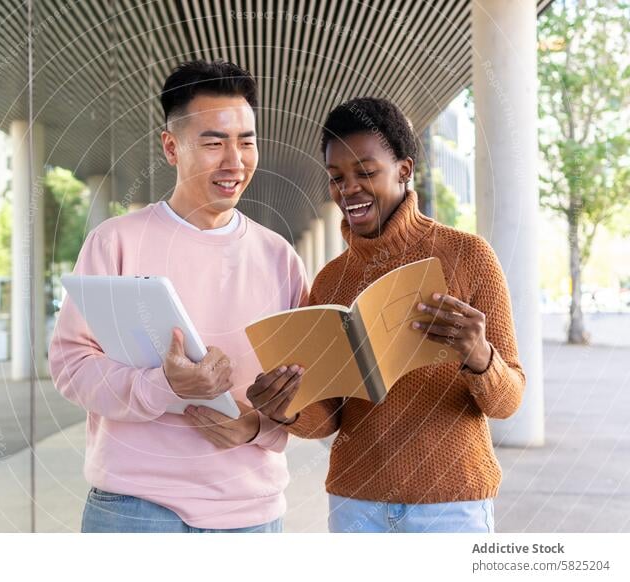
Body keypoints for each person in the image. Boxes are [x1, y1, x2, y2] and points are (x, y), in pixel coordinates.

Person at [48, 60, 308, 533]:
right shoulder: (115, 242)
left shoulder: (280, 258)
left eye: (246, 141)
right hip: (134, 510)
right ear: (171, 146)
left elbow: (305, 393)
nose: (235, 161)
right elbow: (70, 366)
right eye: (213, 142)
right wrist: (165, 386)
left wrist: (257, 425)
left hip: (250, 514)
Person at [248, 97, 525, 533]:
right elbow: (329, 417)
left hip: (452, 504)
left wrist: (479, 355)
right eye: (336, 177)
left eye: (366, 172)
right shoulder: (330, 282)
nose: (348, 189)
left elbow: (508, 402)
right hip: (356, 504)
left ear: (404, 169)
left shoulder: (468, 256)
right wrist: (287, 408)